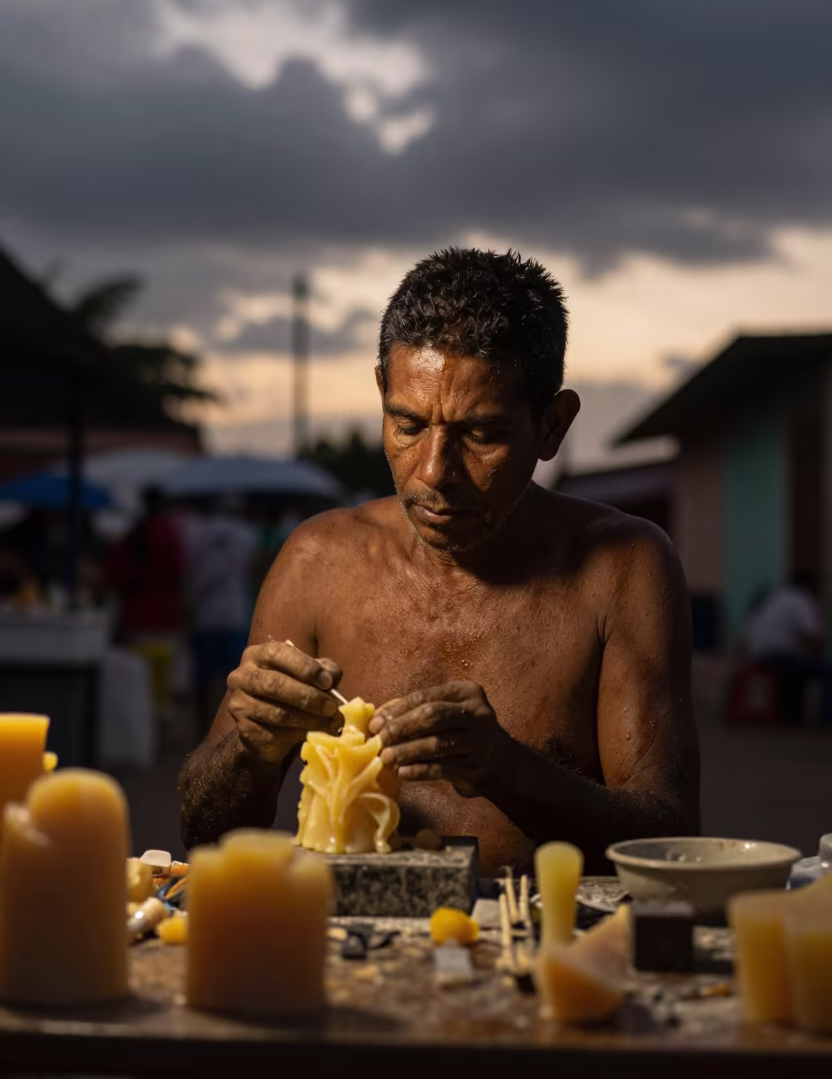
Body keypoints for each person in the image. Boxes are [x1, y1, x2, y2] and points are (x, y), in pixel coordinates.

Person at [179, 248, 700, 873]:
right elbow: (203, 834)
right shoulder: (318, 561)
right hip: (353, 951)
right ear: (381, 396)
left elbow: (669, 839)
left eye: (480, 435)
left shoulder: (621, 566)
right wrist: (251, 749)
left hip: (534, 943)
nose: (433, 473)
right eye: (407, 425)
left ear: (553, 426)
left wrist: (507, 769)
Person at [104, 486, 185, 723]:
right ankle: (158, 734)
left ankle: (144, 731)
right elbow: (178, 574)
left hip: (135, 620)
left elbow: (113, 575)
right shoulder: (168, 534)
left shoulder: (132, 534)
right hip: (164, 619)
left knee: (139, 685)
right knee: (161, 686)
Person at [183, 495, 259, 736]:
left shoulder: (195, 533)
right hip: (235, 614)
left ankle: (203, 728)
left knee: (203, 680)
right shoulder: (247, 535)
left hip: (206, 615)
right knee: (236, 679)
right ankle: (231, 729)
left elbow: (193, 572)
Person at [743, 571, 825, 726]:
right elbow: (812, 637)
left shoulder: (776, 596)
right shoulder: (801, 600)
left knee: (795, 667)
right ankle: (798, 719)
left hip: (756, 653)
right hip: (777, 656)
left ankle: (787, 715)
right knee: (810, 670)